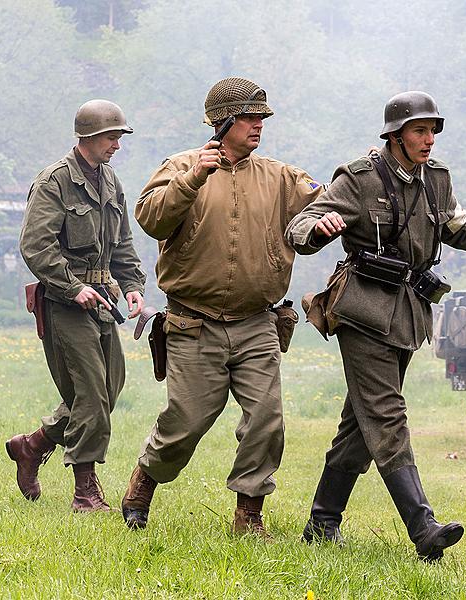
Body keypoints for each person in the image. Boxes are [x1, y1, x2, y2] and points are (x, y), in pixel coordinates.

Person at [285, 91, 466, 560]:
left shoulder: (436, 179)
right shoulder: (360, 178)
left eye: (432, 131)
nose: (429, 140)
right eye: (420, 131)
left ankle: (322, 521)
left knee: (360, 423)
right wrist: (317, 231)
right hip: (362, 312)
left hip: (408, 313)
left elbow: (458, 228)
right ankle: (423, 528)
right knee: (386, 414)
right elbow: (301, 223)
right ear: (396, 135)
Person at [120, 76, 324, 537]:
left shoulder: (280, 177)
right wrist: (194, 179)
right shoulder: (180, 166)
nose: (259, 126)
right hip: (193, 323)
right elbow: (151, 217)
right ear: (224, 121)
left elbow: (327, 201)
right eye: (250, 118)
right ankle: (143, 483)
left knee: (267, 418)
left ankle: (249, 515)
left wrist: (326, 218)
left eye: (261, 119)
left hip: (258, 322)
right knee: (185, 422)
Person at [9, 99, 146, 512]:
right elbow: (36, 245)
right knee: (89, 392)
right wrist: (72, 289)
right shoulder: (54, 181)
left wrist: (133, 284)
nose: (117, 145)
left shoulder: (110, 181)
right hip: (66, 304)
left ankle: (33, 446)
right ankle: (85, 491)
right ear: (87, 137)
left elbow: (121, 242)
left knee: (107, 389)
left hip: (104, 301)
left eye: (119, 137)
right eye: (111, 137)